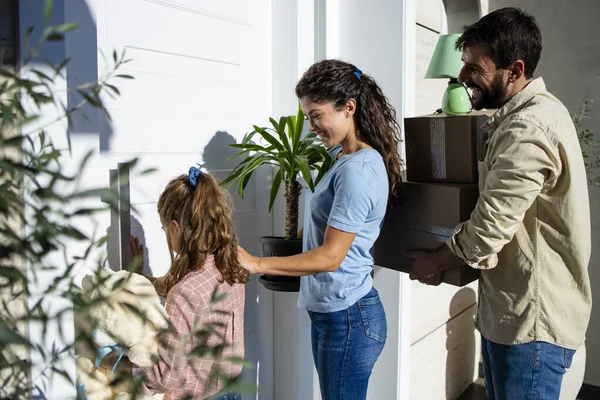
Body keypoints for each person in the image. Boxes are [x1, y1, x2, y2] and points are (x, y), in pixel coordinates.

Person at [407, 8, 592, 400]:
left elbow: (487, 230)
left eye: (475, 67)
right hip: (508, 319)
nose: (462, 77)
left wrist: (435, 261)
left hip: (531, 332)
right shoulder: (516, 119)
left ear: (515, 69)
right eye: (464, 64)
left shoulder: (529, 128)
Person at [238, 59, 404, 400]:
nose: (311, 126)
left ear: (348, 108)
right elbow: (324, 227)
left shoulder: (358, 171)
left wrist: (257, 264)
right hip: (334, 315)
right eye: (307, 117)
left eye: (316, 115)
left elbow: (330, 256)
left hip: (349, 319)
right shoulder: (342, 158)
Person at [132, 167, 249, 400]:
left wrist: (129, 369)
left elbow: (166, 377)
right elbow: (175, 286)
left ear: (175, 227)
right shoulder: (231, 266)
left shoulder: (184, 292)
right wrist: (141, 277)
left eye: (165, 229)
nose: (166, 233)